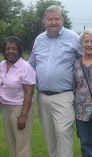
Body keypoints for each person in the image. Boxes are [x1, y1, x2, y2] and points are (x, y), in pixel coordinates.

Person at [29, 5, 81, 157]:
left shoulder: (73, 38)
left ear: (62, 19)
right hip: (42, 96)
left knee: (63, 133)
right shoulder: (39, 39)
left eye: (56, 19)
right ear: (44, 21)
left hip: (64, 96)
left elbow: (85, 61)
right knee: (49, 135)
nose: (53, 22)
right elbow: (31, 64)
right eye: (50, 19)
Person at [0, 36, 36, 157]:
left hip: (19, 109)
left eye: (14, 48)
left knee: (22, 145)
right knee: (11, 143)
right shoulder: (2, 65)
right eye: (8, 48)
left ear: (19, 50)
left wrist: (23, 115)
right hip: (5, 108)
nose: (10, 51)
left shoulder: (25, 67)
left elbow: (29, 93)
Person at [74, 29, 92, 157]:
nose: (89, 44)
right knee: (85, 144)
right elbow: (73, 86)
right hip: (82, 111)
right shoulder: (75, 64)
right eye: (86, 41)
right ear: (81, 44)